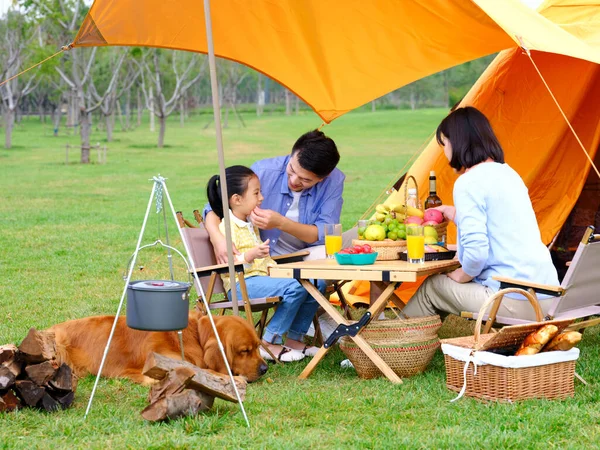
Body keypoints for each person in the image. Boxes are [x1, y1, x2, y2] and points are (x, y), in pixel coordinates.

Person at [402, 107, 559, 321]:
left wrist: (461, 275)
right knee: (444, 285)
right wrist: (451, 212)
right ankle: (406, 340)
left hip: (513, 298)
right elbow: (499, 221)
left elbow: (476, 253)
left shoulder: (468, 182)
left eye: (445, 143)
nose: (444, 151)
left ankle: (388, 346)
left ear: (456, 143)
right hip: (546, 294)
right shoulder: (508, 173)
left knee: (433, 287)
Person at [206, 165, 323, 362]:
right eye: (256, 193)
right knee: (297, 287)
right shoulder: (226, 228)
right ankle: (269, 342)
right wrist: (250, 255)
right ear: (237, 199)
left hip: (264, 279)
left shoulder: (250, 224)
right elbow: (230, 265)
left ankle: (294, 339)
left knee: (316, 283)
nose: (261, 198)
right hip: (241, 285)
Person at [204, 129, 344, 263]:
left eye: (305, 180)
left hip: (308, 254)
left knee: (340, 254)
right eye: (291, 169)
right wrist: (217, 240)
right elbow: (216, 205)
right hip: (264, 258)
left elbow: (325, 233)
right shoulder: (263, 171)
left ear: (323, 178)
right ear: (291, 155)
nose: (293, 181)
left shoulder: (333, 181)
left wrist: (281, 223)